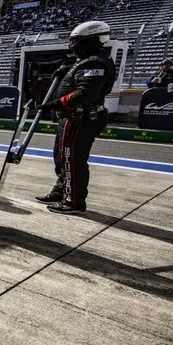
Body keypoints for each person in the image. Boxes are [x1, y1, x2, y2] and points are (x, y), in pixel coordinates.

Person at [35, 20, 116, 215]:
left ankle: (74, 202)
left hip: (81, 118)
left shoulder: (95, 62)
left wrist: (56, 104)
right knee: (62, 157)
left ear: (91, 40)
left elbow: (84, 94)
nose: (73, 45)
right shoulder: (86, 61)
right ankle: (62, 190)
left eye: (77, 41)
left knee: (72, 159)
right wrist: (69, 70)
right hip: (71, 118)